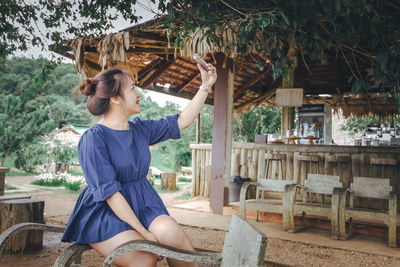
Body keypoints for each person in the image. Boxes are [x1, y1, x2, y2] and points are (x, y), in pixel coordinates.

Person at [62, 62, 217, 267]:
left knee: (172, 234)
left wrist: (205, 86)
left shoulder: (140, 130)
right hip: (105, 210)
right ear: (116, 98)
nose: (138, 94)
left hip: (142, 202)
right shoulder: (94, 139)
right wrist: (144, 234)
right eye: (132, 88)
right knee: (144, 260)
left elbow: (181, 121)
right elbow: (110, 194)